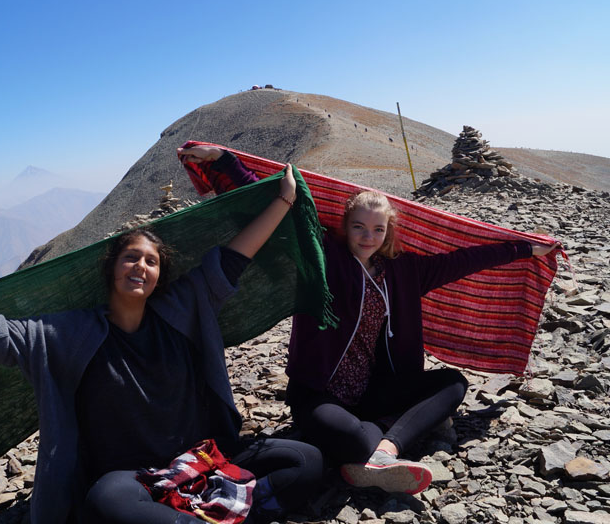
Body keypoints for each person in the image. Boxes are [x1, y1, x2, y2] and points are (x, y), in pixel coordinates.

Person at [0, 164, 323, 524]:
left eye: (151, 261)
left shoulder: (183, 308)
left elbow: (233, 258)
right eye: (131, 258)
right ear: (111, 267)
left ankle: (197, 514)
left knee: (305, 460)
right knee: (107, 501)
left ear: (160, 275)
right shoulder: (72, 334)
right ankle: (228, 513)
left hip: (199, 461)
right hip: (132, 478)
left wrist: (284, 200)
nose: (140, 267)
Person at [177, 144, 559, 495]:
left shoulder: (405, 270)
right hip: (319, 393)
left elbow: (465, 260)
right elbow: (284, 217)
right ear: (345, 226)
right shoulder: (325, 259)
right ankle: (382, 438)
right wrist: (225, 161)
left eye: (378, 229)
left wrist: (525, 248)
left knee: (453, 382)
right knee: (352, 440)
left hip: (373, 390)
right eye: (359, 227)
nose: (368, 236)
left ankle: (385, 450)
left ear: (388, 231)